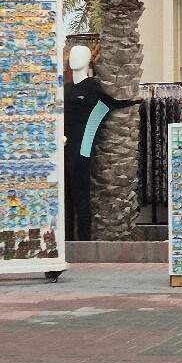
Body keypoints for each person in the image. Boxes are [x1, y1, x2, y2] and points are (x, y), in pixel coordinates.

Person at [63, 45, 138, 241]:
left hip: (83, 148)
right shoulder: (65, 89)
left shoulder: (92, 87)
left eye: (80, 55)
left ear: (89, 60)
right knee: (66, 198)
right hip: (63, 147)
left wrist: (133, 102)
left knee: (81, 196)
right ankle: (67, 241)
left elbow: (112, 103)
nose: (74, 59)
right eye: (72, 55)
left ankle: (84, 241)